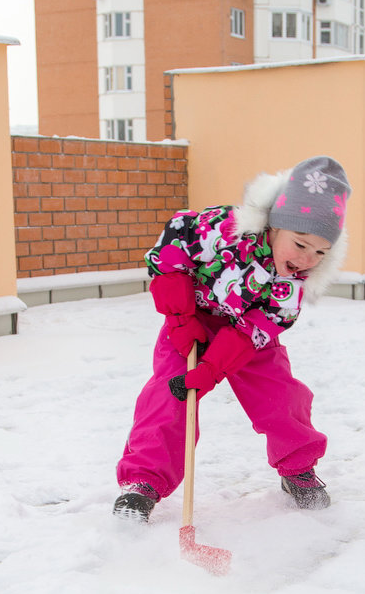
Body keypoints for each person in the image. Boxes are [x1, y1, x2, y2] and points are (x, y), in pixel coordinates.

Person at [113, 156, 352, 521]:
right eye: (300, 244)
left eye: (320, 252)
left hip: (246, 336)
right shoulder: (224, 230)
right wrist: (180, 319)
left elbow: (259, 328)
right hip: (190, 320)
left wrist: (212, 368)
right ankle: (143, 481)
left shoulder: (292, 284)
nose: (307, 259)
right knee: (168, 395)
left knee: (281, 395)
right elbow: (171, 252)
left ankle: (298, 467)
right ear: (275, 225)